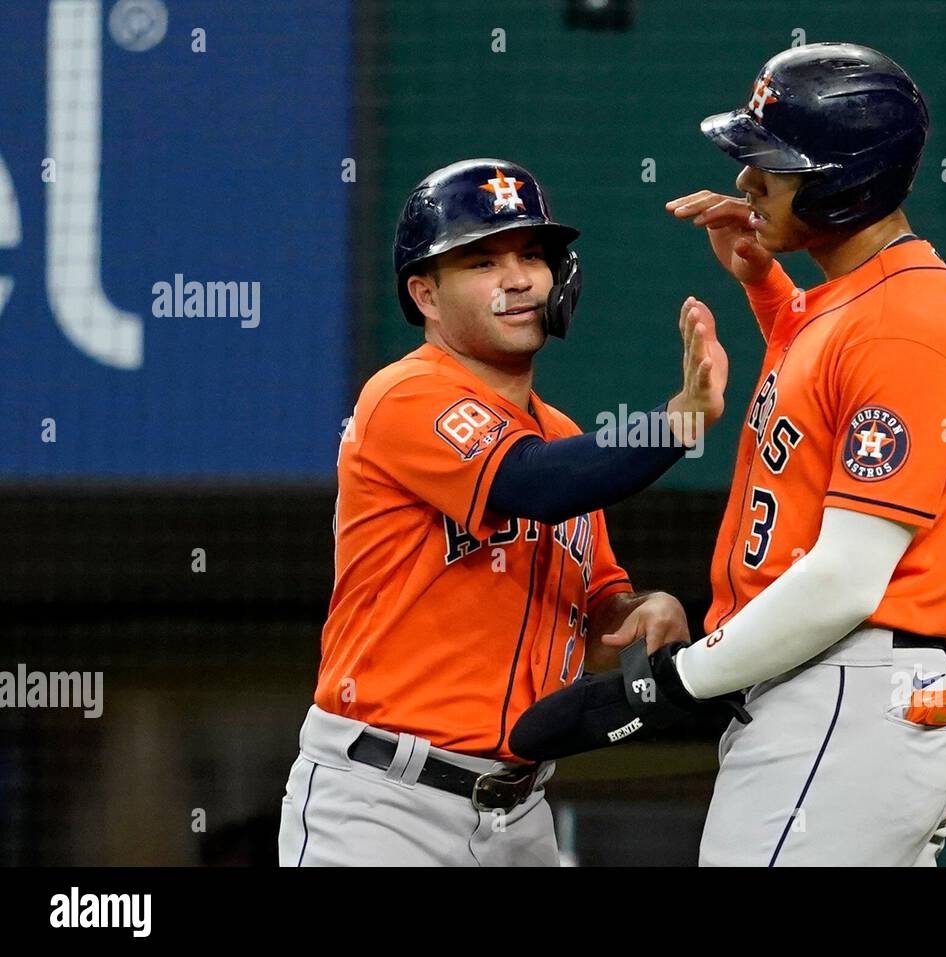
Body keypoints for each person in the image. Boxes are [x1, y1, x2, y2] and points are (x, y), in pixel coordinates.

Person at [512, 43, 946, 867]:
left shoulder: (907, 321)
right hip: (837, 697)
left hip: (844, 690)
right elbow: (824, 383)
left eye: (771, 162)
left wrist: (664, 686)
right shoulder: (856, 301)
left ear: (849, 180)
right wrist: (766, 288)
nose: (745, 181)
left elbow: (847, 575)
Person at [277, 158, 728, 866]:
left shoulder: (564, 437)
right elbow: (530, 483)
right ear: (424, 294)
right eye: (483, 261)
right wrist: (677, 420)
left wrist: (636, 608)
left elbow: (598, 600)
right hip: (382, 804)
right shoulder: (404, 395)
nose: (518, 278)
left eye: (532, 256)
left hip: (520, 814)